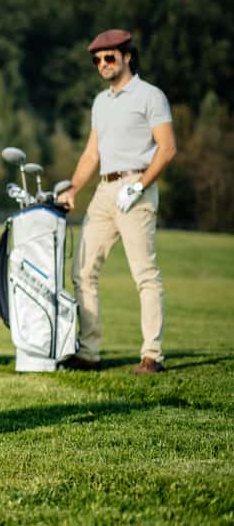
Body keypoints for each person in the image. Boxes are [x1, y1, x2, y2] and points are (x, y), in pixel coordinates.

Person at [57, 29, 177, 375]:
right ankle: (89, 352)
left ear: (127, 56)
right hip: (105, 191)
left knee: (145, 273)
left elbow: (167, 149)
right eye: (96, 59)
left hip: (136, 188)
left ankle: (152, 355)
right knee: (82, 271)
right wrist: (74, 188)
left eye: (109, 57)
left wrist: (139, 186)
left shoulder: (150, 96)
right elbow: (92, 153)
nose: (102, 64)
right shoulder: (100, 102)